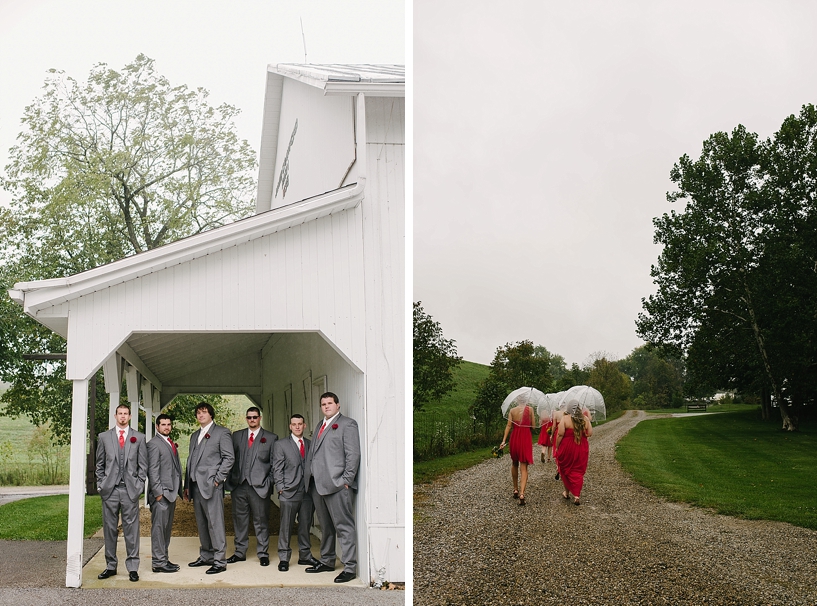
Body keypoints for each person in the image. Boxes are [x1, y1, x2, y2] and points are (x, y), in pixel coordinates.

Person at [304, 392, 360, 584]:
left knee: (343, 526)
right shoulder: (320, 425)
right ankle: (327, 560)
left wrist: (346, 480)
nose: (326, 406)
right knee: (326, 526)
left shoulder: (347, 424)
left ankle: (350, 567)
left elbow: (353, 455)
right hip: (318, 485)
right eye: (323, 404)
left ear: (338, 405)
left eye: (330, 403)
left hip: (338, 485)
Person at [95, 404, 147, 582]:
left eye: (126, 414)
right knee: (109, 530)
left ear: (130, 416)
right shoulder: (104, 437)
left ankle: (133, 567)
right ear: (115, 416)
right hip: (109, 491)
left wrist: (139, 486)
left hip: (130, 491)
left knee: (131, 530)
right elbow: (99, 465)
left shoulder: (138, 437)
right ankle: (110, 566)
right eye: (120, 414)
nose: (123, 416)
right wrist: (101, 485)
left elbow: (143, 466)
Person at [184, 402, 235, 574]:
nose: (201, 415)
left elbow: (229, 458)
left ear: (211, 414)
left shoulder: (222, 433)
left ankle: (219, 561)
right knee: (202, 523)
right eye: (198, 413)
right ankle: (206, 556)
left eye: (204, 412)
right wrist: (187, 485)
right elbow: (191, 461)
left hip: (212, 485)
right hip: (196, 486)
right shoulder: (194, 435)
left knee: (216, 524)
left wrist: (218, 479)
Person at [226, 406, 277, 567]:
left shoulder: (270, 437)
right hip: (239, 485)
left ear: (260, 418)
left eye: (255, 417)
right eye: (249, 417)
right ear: (246, 418)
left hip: (260, 486)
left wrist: (268, 482)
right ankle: (240, 552)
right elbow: (230, 459)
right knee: (239, 520)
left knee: (261, 520)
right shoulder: (237, 436)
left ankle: (263, 553)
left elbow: (275, 464)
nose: (252, 420)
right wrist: (231, 481)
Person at [272, 413, 321, 572]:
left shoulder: (310, 444)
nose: (297, 426)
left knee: (305, 525)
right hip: (288, 492)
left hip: (307, 492)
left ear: (304, 425)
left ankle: (305, 555)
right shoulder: (281, 445)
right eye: (294, 424)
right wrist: (280, 488)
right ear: (290, 426)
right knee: (286, 527)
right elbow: (277, 468)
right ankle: (284, 558)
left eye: (300, 424)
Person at [146, 413, 182, 573]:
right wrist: (158, 494)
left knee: (166, 529)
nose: (167, 427)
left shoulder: (168, 442)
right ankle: (158, 563)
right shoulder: (154, 444)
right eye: (163, 424)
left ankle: (164, 559)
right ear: (157, 427)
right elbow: (152, 471)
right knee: (159, 529)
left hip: (171, 493)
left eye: (169, 424)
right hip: (161, 495)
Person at [554, 399, 593, 506]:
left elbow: (560, 434)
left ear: (569, 408)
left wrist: (557, 447)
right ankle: (576, 495)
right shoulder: (585, 419)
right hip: (581, 447)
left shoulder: (565, 419)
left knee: (565, 468)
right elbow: (590, 433)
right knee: (578, 471)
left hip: (567, 448)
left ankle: (566, 492)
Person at [499, 400, 534, 505]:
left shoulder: (512, 410)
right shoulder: (530, 410)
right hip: (525, 438)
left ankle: (515, 489)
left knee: (514, 463)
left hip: (515, 438)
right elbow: (533, 426)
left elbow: (509, 426)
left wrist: (504, 440)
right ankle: (522, 493)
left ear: (518, 400)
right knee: (524, 467)